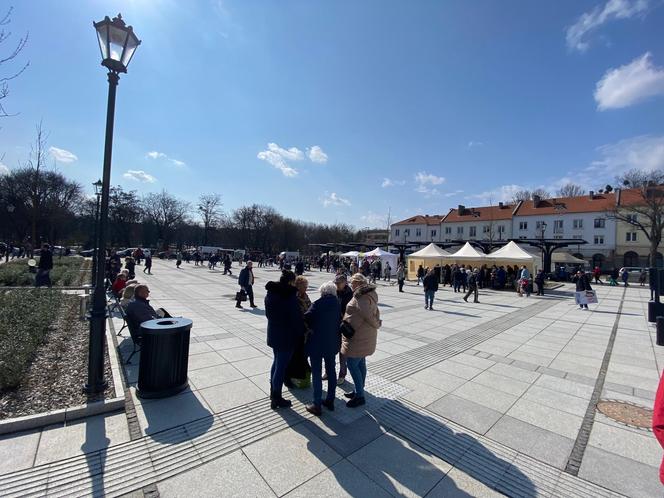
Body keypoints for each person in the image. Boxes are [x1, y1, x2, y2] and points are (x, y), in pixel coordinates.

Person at [264, 270, 306, 409]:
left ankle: (273, 392)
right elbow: (296, 318)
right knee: (281, 366)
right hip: (286, 336)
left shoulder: (271, 293)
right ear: (290, 282)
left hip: (274, 333)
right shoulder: (289, 297)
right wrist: (302, 332)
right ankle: (276, 397)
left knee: (276, 362)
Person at [342, 273, 381, 408]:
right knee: (361, 363)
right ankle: (359, 390)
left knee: (352, 364)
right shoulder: (367, 294)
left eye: (353, 283)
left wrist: (377, 324)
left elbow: (369, 316)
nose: (350, 285)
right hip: (363, 335)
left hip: (359, 336)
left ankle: (360, 396)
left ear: (359, 283)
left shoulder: (362, 297)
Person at [304, 281, 341, 416]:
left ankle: (317, 404)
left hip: (317, 344)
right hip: (332, 343)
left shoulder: (318, 304)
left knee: (317, 372)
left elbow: (307, 316)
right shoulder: (337, 303)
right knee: (331, 370)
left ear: (323, 292)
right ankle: (330, 400)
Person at [285, 275, 312, 388]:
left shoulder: (305, 296)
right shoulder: (293, 298)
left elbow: (310, 308)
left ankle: (298, 375)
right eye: (304, 286)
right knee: (292, 355)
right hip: (295, 331)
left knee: (301, 355)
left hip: (305, 332)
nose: (306, 288)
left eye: (306, 286)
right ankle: (288, 377)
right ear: (298, 286)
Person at [333, 274, 353, 384]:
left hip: (344, 325)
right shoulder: (334, 291)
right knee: (331, 349)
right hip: (333, 325)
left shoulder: (350, 294)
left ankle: (342, 373)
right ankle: (328, 371)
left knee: (342, 351)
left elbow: (350, 312)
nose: (336, 284)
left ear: (345, 282)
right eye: (335, 282)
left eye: (338, 283)